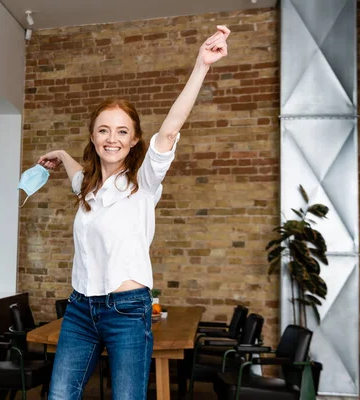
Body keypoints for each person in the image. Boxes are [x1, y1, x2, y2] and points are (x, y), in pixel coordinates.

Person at [37, 25, 231, 400]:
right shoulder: (88, 186)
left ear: (135, 139)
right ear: (93, 137)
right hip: (79, 309)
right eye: (104, 130)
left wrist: (201, 66)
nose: (113, 138)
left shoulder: (145, 181)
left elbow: (171, 129)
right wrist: (60, 156)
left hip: (126, 311)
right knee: (60, 396)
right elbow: (78, 173)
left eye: (122, 132)